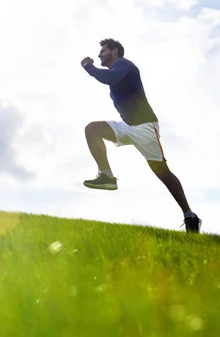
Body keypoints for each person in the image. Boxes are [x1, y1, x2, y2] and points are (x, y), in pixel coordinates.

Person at [80, 38, 201, 233]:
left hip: (145, 127)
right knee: (92, 129)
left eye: (103, 50)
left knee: (162, 173)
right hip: (127, 126)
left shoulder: (123, 64)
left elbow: (109, 79)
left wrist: (88, 66)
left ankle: (190, 216)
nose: (99, 54)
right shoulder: (116, 68)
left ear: (115, 51)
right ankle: (106, 176)